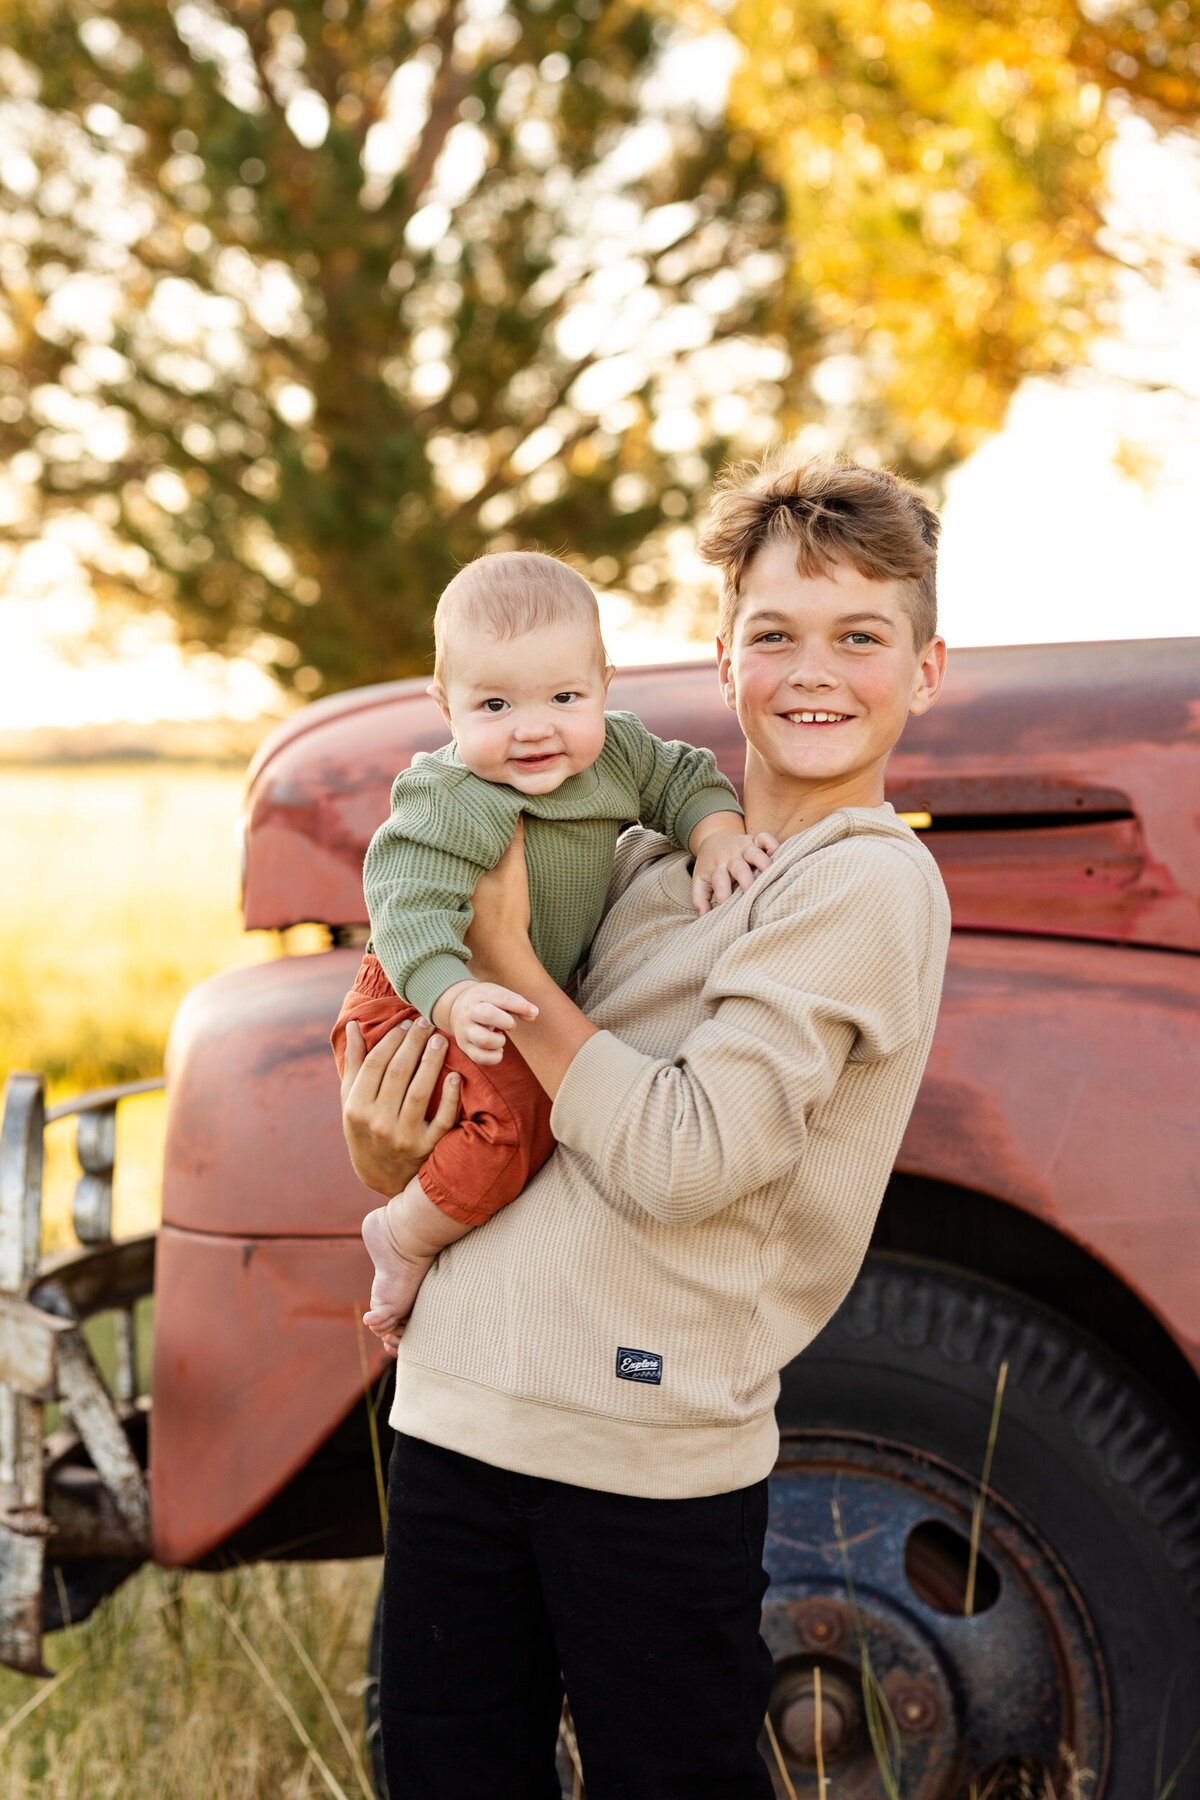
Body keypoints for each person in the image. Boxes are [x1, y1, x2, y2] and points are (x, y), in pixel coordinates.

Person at [339, 453, 951, 1799]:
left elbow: (689, 1159)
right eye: (775, 632)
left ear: (925, 670)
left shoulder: (867, 884)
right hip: (457, 1408)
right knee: (444, 1774)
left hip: (643, 1451)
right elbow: (482, 1091)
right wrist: (391, 1146)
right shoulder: (638, 850)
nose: (812, 670)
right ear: (717, 656)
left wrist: (515, 965)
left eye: (861, 636)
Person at [331, 550, 775, 1336]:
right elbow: (404, 904)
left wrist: (715, 837)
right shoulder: (449, 796)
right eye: (495, 704)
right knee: (523, 1119)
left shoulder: (616, 753)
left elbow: (684, 779)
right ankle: (402, 1237)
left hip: (500, 993)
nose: (533, 729)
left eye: (564, 696)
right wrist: (452, 991)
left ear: (606, 684)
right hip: (418, 993)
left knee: (542, 1116)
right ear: (445, 704)